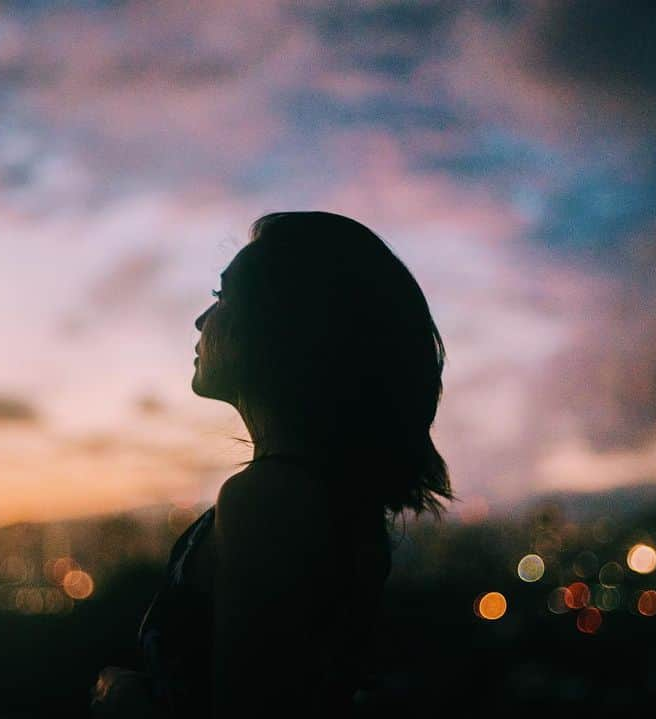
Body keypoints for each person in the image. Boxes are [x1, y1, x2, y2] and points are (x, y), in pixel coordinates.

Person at [90, 211, 452, 718]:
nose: (200, 321)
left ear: (279, 325)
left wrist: (125, 700)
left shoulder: (269, 500)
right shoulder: (326, 497)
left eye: (221, 299)